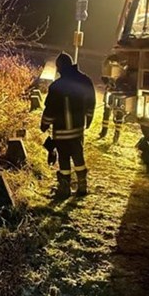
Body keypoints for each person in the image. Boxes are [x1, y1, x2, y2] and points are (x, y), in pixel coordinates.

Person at [40, 52, 96, 199]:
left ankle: (64, 189)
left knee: (64, 159)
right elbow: (91, 103)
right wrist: (89, 120)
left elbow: (49, 110)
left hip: (61, 132)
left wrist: (44, 125)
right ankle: (82, 186)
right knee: (79, 157)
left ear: (60, 68)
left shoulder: (56, 87)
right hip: (78, 130)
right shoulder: (85, 81)